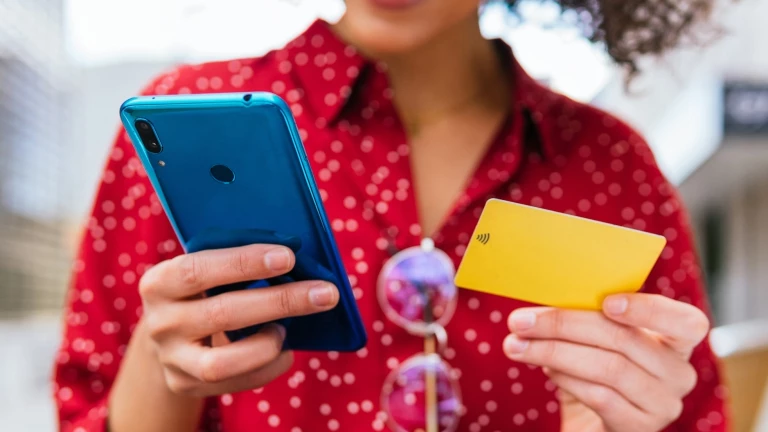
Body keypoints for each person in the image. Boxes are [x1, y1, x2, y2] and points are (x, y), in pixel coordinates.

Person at [54, 0, 729, 431]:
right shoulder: (186, 123)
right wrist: (162, 360)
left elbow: (698, 416)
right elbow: (88, 412)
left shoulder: (612, 166)